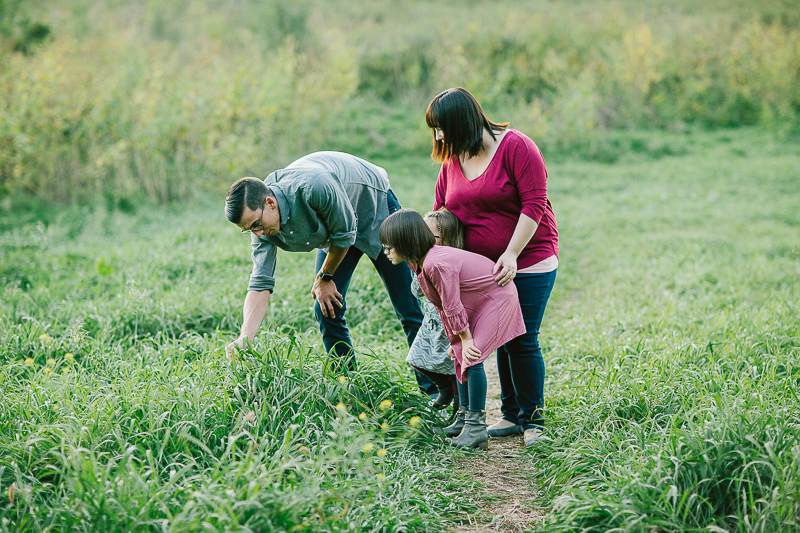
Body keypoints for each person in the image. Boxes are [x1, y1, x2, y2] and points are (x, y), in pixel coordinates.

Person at [427, 87, 559, 447]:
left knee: (521, 338)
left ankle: (534, 420)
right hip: (481, 271)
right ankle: (511, 415)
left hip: (529, 259)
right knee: (497, 340)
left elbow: (534, 204)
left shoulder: (517, 147)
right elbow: (440, 211)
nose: (438, 137)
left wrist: (513, 253)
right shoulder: (451, 162)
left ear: (461, 122)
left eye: (441, 128)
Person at [224, 151, 428, 379]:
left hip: (373, 204)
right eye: (250, 230)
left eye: (256, 225)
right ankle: (347, 383)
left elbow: (345, 234)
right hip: (338, 226)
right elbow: (260, 282)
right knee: (326, 307)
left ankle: (434, 391)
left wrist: (325, 277)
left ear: (270, 203)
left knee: (407, 306)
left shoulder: (313, 187)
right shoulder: (261, 225)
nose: (258, 233)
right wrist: (246, 336)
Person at [380, 209, 526, 449]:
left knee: (472, 356)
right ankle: (463, 421)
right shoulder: (420, 264)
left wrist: (466, 340)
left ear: (404, 242)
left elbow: (452, 305)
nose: (385, 252)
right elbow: (441, 309)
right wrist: (455, 341)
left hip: (497, 298)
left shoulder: (436, 264)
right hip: (479, 300)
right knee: (460, 352)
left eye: (389, 247)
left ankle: (476, 429)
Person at [406, 208, 464, 413]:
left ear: (446, 239)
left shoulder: (449, 263)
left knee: (452, 367)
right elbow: (416, 292)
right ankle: (444, 390)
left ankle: (459, 406)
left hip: (449, 327)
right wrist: (417, 268)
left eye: (429, 236)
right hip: (429, 326)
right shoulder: (423, 261)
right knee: (416, 359)